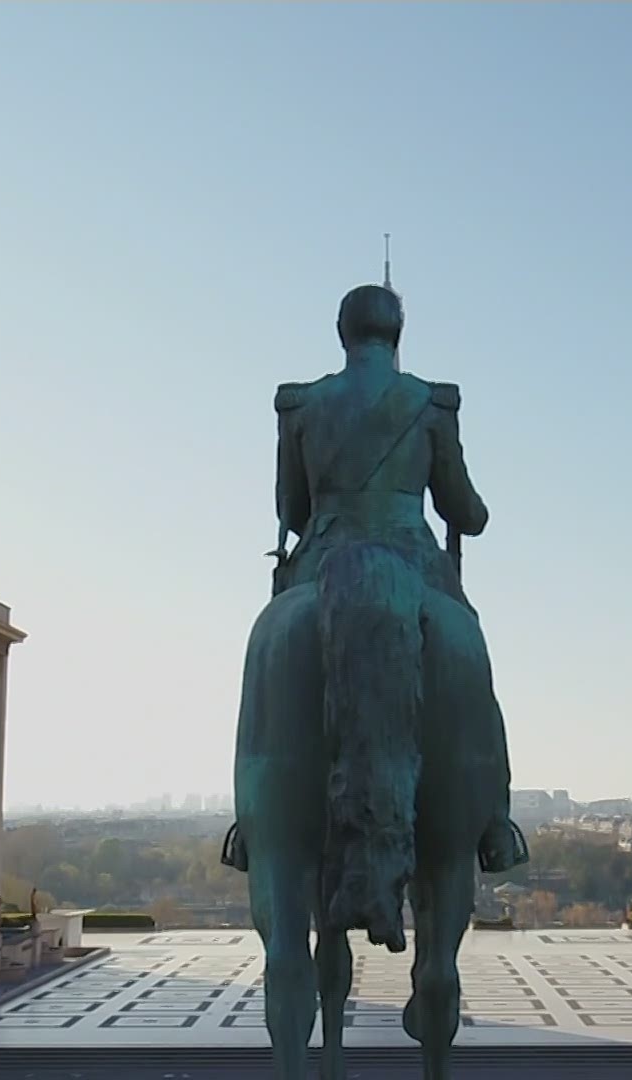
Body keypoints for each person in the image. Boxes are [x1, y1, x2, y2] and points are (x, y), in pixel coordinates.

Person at [225, 283, 526, 875]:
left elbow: (291, 510)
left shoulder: (301, 405)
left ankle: (253, 824)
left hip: (322, 560)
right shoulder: (432, 405)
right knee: (473, 661)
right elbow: (462, 507)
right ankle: (493, 823)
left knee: (266, 669)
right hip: (415, 560)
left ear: (343, 335)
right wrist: (474, 515)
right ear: (397, 336)